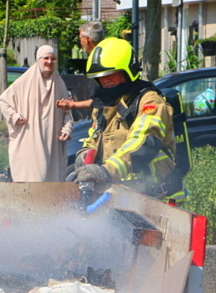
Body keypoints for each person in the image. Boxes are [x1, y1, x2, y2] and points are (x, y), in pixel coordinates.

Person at [69, 37, 180, 201]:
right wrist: (84, 157)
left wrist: (106, 171)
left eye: (111, 74)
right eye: (100, 76)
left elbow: (143, 143)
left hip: (155, 197)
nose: (105, 80)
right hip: (119, 195)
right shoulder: (104, 104)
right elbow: (94, 139)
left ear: (128, 71)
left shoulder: (149, 101)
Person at [0, 45, 74, 182]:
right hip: (30, 140)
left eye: (53, 58)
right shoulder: (24, 81)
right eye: (46, 58)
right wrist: (15, 116)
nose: (49, 62)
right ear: (39, 59)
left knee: (51, 182)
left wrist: (67, 129)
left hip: (52, 142)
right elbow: (3, 100)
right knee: (32, 178)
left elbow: (67, 112)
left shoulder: (60, 84)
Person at [57, 21, 105, 113]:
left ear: (87, 39)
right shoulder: (103, 55)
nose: (80, 42)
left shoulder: (100, 60)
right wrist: (73, 105)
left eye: (80, 39)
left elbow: (103, 100)